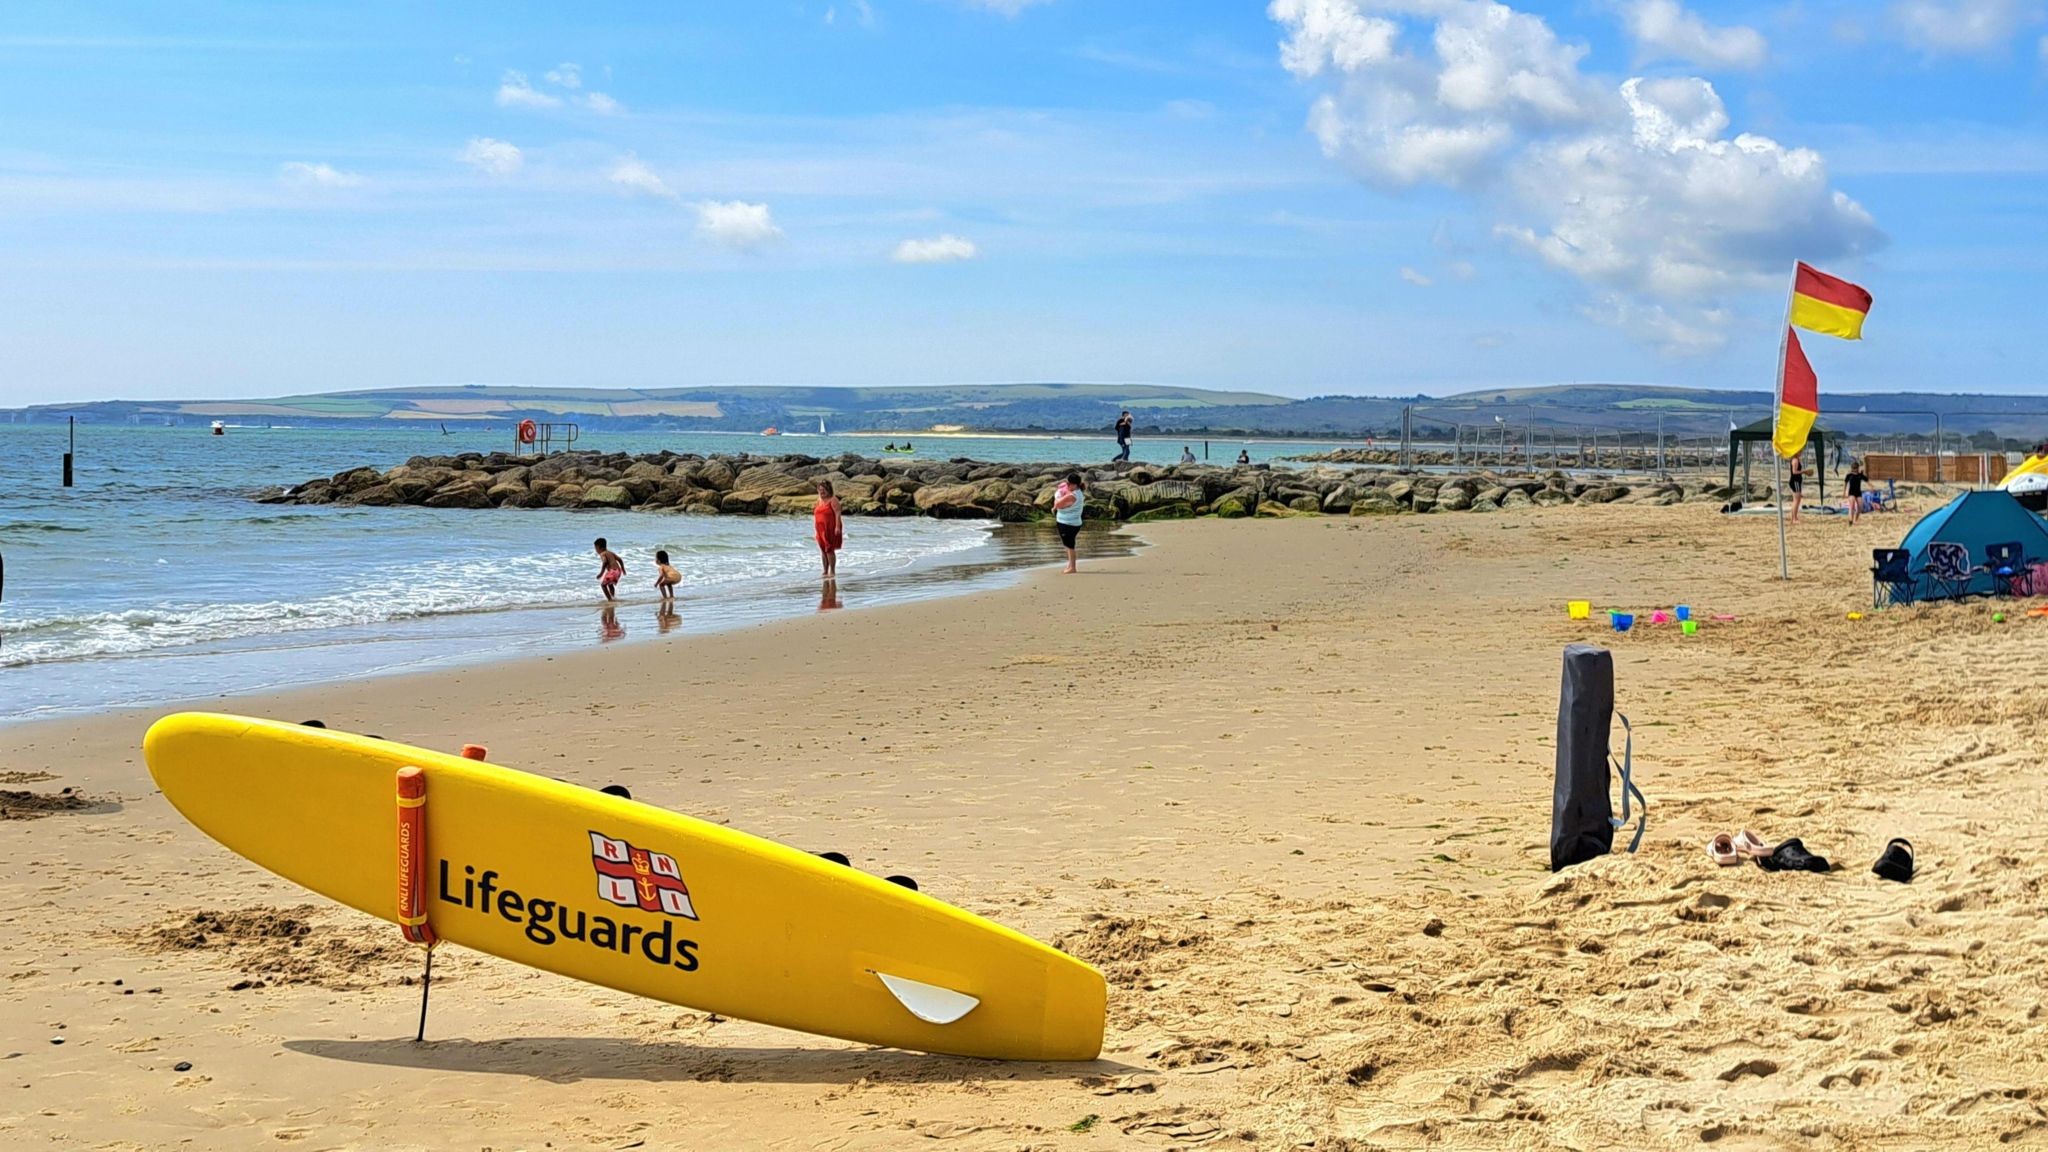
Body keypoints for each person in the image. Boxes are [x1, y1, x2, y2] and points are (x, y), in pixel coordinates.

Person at [1053, 472, 1085, 574]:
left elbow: (1057, 504)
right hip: (1073, 522)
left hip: (1068, 523)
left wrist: (1058, 496)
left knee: (1070, 545)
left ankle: (1073, 567)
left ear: (1074, 485)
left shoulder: (1072, 495)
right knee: (1068, 545)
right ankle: (1070, 564)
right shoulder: (1078, 492)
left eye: (1069, 484)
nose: (1067, 486)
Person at [813, 479, 843, 578]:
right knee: (822, 550)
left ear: (829, 490)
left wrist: (837, 527)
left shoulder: (833, 500)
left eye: (824, 490)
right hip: (820, 529)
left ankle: (832, 571)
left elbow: (838, 514)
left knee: (829, 549)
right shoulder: (819, 500)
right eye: (820, 490)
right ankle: (825, 570)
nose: (821, 492)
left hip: (830, 528)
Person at [1845, 460, 1868, 525]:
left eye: (1856, 468)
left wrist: (1872, 487)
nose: (1855, 470)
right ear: (1852, 468)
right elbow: (1845, 483)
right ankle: (1850, 520)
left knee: (1860, 507)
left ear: (1858, 468)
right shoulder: (1849, 475)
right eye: (1853, 468)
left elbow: (1866, 480)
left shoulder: (1860, 475)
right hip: (1851, 492)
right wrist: (1845, 492)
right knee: (1851, 506)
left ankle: (1855, 520)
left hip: (1858, 492)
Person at [1787, 452, 1806, 523]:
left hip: (1796, 482)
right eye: (1800, 451)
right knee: (1796, 500)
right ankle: (1794, 519)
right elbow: (1794, 472)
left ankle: (1794, 518)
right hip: (1795, 482)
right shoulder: (1795, 460)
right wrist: (1804, 471)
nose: (1801, 452)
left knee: (1796, 500)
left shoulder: (1796, 459)